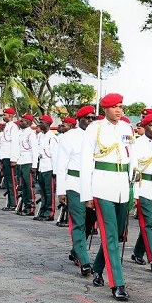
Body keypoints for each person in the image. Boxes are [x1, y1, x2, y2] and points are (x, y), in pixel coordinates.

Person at [80, 94, 135, 300]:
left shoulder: (127, 129)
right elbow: (86, 162)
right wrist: (87, 194)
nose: (119, 110)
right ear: (106, 109)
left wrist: (133, 191)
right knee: (110, 235)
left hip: (123, 185)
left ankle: (98, 267)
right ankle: (118, 284)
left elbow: (133, 160)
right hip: (102, 186)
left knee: (117, 233)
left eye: (121, 106)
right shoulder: (95, 128)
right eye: (114, 107)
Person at [56, 106, 95, 276]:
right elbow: (61, 165)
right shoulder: (69, 137)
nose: (91, 121)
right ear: (79, 119)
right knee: (79, 222)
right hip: (75, 183)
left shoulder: (98, 136)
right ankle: (85, 261)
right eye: (87, 118)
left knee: (89, 222)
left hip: (94, 184)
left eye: (93, 118)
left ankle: (76, 250)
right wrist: (61, 190)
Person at [131, 111, 152, 267]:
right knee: (148, 223)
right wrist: (134, 193)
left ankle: (137, 252)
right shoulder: (137, 144)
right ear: (144, 126)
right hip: (142, 186)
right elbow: (134, 171)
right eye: (151, 125)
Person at [14, 114, 39, 216]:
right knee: (23, 185)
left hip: (28, 161)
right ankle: (25, 206)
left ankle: (30, 207)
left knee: (29, 185)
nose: (20, 122)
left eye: (23, 121)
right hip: (21, 161)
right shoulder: (20, 133)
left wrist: (34, 165)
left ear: (28, 123)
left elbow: (35, 150)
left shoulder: (31, 134)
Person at [35, 115, 58, 221]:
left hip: (49, 166)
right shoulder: (40, 136)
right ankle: (42, 211)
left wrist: (55, 170)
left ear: (48, 124)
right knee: (42, 191)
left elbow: (55, 155)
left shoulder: (52, 137)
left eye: (42, 122)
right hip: (42, 166)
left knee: (49, 191)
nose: (39, 124)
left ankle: (50, 213)